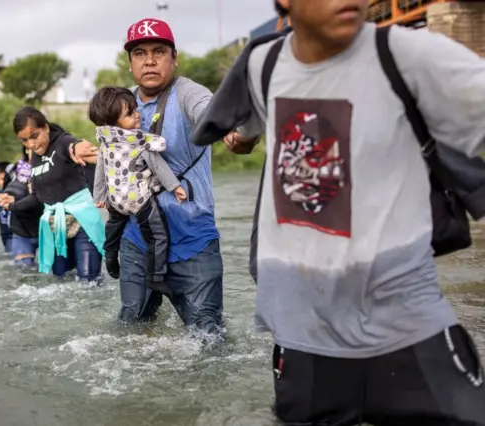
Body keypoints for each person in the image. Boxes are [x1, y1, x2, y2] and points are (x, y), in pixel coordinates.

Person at [231, 0, 485, 424]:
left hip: (410, 329)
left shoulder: (407, 54)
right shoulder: (263, 64)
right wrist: (243, 140)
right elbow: (244, 129)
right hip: (306, 341)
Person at [116, 18, 248, 337]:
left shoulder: (189, 93)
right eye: (140, 53)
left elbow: (209, 111)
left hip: (193, 239)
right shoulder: (121, 103)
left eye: (159, 51)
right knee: (131, 334)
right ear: (131, 63)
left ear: (174, 59)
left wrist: (232, 132)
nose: (149, 60)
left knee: (208, 338)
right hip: (137, 239)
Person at [89, 86, 187, 291]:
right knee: (158, 236)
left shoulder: (105, 142)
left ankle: (110, 256)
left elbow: (101, 170)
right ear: (113, 121)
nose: (137, 114)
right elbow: (158, 165)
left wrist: (99, 196)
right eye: (129, 113)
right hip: (138, 201)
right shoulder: (139, 141)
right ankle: (156, 277)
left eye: (135, 109)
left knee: (113, 230)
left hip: (115, 200)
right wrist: (175, 186)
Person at [0, 107, 105, 282]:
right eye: (24, 141)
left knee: (89, 283)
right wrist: (13, 203)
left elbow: (76, 146)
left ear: (45, 128)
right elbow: (39, 195)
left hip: (82, 222)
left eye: (34, 136)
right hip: (56, 226)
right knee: (60, 282)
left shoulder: (62, 142)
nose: (31, 144)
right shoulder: (34, 155)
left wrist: (80, 146)